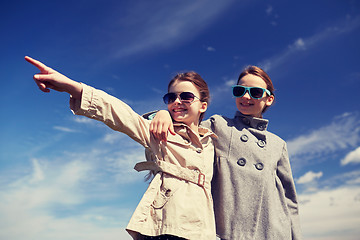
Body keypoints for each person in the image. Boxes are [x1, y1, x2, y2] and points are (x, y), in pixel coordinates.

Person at [25, 56, 217, 240]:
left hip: (203, 231)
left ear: (203, 106)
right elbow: (119, 113)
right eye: (171, 97)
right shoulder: (159, 132)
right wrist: (74, 87)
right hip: (165, 227)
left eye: (186, 97)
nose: (177, 102)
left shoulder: (213, 141)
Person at [149, 66, 302, 239]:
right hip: (228, 230)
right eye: (240, 90)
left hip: (271, 230)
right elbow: (185, 123)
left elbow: (290, 200)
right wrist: (162, 114)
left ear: (269, 99)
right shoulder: (218, 125)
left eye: (256, 92)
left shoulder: (278, 144)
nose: (245, 96)